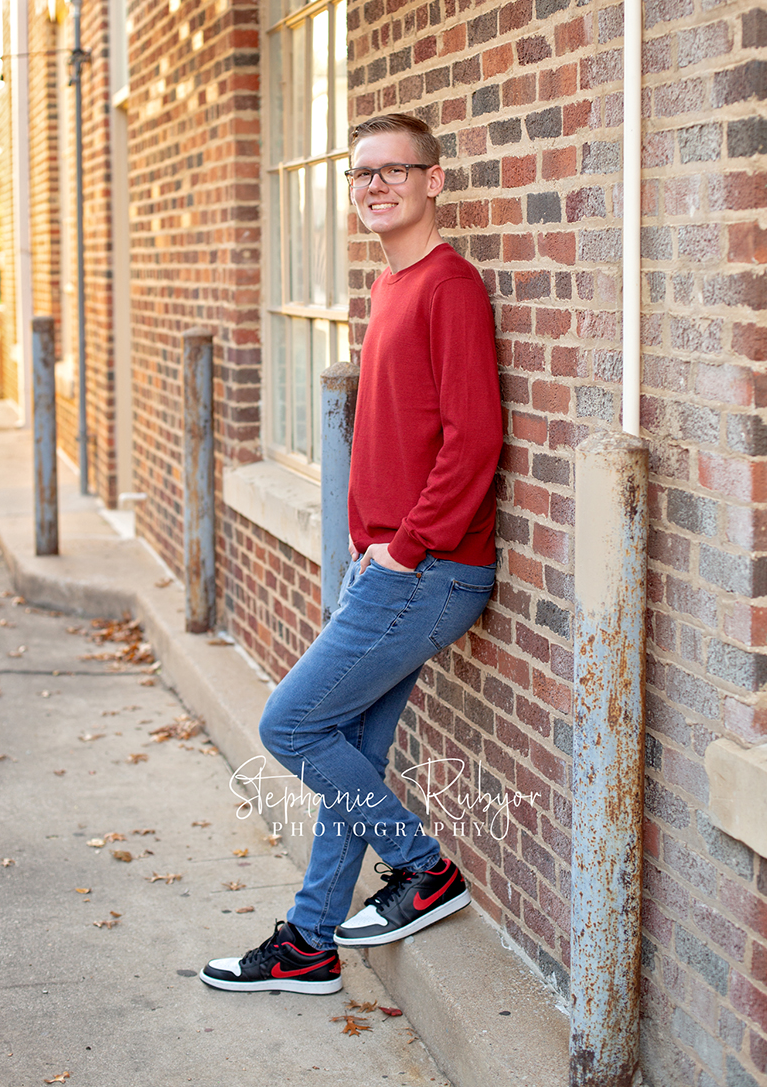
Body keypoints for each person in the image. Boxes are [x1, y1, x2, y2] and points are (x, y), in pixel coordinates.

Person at [200, 113, 504, 994]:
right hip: (390, 567)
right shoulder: (389, 285)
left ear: (433, 180)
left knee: (290, 726)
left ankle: (422, 867)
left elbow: (474, 438)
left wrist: (403, 549)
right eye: (361, 173)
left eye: (393, 171)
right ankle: (309, 942)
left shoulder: (450, 286)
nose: (374, 186)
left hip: (426, 570)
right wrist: (375, 549)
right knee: (350, 755)